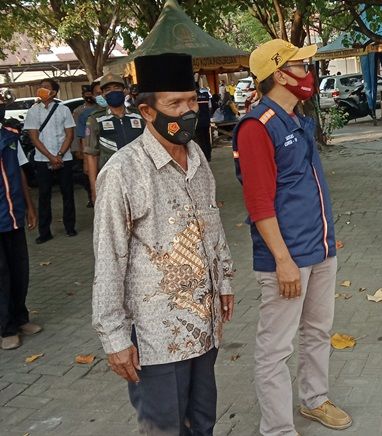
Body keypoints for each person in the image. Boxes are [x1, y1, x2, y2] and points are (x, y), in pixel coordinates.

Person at [92, 52, 235, 434]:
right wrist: (115, 337)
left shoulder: (197, 158)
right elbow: (108, 259)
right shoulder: (122, 172)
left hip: (203, 326)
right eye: (175, 104)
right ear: (147, 111)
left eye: (191, 100)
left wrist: (223, 281)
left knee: (202, 421)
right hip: (157, 336)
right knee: (165, 429)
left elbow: (213, 223)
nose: (188, 111)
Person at [233, 39, 352, 435]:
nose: (309, 74)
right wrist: (283, 260)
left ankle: (314, 400)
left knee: (318, 331)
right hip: (286, 259)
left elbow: (307, 187)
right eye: (301, 66)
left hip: (319, 249)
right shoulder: (257, 127)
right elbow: (259, 203)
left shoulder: (298, 120)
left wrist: (326, 236)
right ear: (280, 74)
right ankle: (278, 428)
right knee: (275, 348)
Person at [0, 103, 40, 350]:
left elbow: (20, 174)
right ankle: (6, 329)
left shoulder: (10, 137)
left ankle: (20, 318)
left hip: (13, 215)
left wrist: (30, 207)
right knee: (0, 275)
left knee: (19, 271)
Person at [24, 79, 77, 244]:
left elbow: (69, 134)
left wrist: (59, 154)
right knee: (44, 195)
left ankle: (70, 227)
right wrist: (50, 157)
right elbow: (33, 137)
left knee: (67, 193)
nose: (42, 89)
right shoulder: (33, 111)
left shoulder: (64, 110)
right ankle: (44, 232)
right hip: (42, 159)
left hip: (64, 158)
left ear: (54, 92)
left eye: (46, 87)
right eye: (41, 86)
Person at [84, 74, 145, 204]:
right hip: (111, 180)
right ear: (103, 94)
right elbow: (91, 155)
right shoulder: (95, 119)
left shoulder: (139, 115)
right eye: (108, 90)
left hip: (141, 177)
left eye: (117, 87)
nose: (113, 92)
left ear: (124, 91)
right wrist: (94, 189)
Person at [72, 84, 98, 208]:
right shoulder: (78, 112)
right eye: (85, 95)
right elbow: (79, 133)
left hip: (102, 148)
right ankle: (91, 196)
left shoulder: (102, 108)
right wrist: (79, 151)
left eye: (90, 94)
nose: (88, 97)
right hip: (87, 147)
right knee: (88, 175)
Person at [195, 88, 212, 161]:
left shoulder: (193, 97)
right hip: (206, 120)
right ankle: (209, 155)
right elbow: (210, 107)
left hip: (197, 122)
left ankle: (204, 156)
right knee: (207, 138)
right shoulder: (206, 95)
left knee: (200, 140)